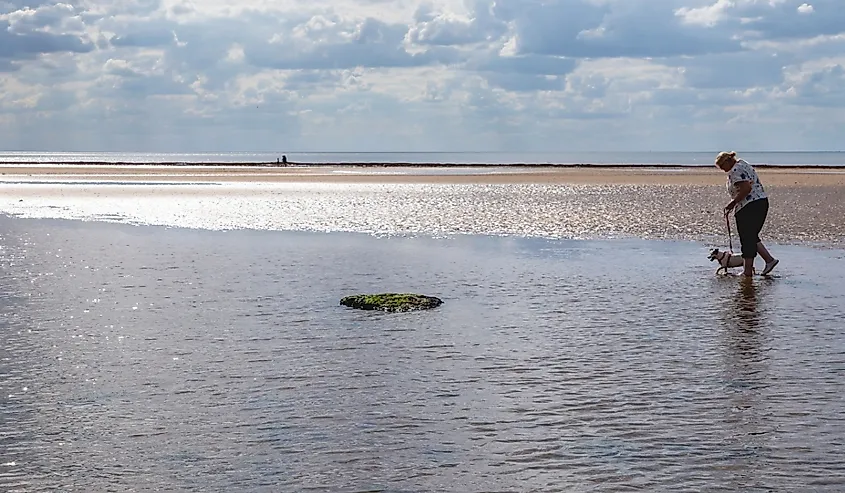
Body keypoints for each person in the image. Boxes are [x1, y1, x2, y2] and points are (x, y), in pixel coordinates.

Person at [715, 151, 779, 277]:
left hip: (749, 206)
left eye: (723, 167)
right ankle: (768, 260)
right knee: (750, 236)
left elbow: (746, 189)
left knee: (747, 238)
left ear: (728, 162)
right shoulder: (743, 164)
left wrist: (732, 204)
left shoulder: (735, 170)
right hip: (760, 202)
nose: (723, 170)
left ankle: (748, 271)